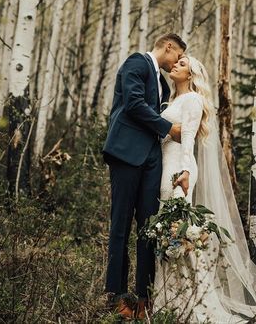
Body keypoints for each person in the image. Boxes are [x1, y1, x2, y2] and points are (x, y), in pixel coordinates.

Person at [153, 55, 256, 323]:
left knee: (178, 235)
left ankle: (190, 302)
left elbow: (189, 138)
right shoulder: (172, 101)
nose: (175, 66)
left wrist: (183, 172)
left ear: (191, 75)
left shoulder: (193, 100)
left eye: (182, 65)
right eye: (176, 63)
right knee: (170, 235)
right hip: (166, 167)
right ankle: (169, 298)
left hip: (178, 171)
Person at [102, 33, 186, 319]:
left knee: (149, 227)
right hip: (126, 154)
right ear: (168, 46)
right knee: (121, 225)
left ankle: (144, 298)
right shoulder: (136, 63)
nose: (176, 63)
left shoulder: (162, 83)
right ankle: (116, 295)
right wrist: (168, 128)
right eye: (178, 56)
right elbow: (134, 104)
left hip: (152, 160)